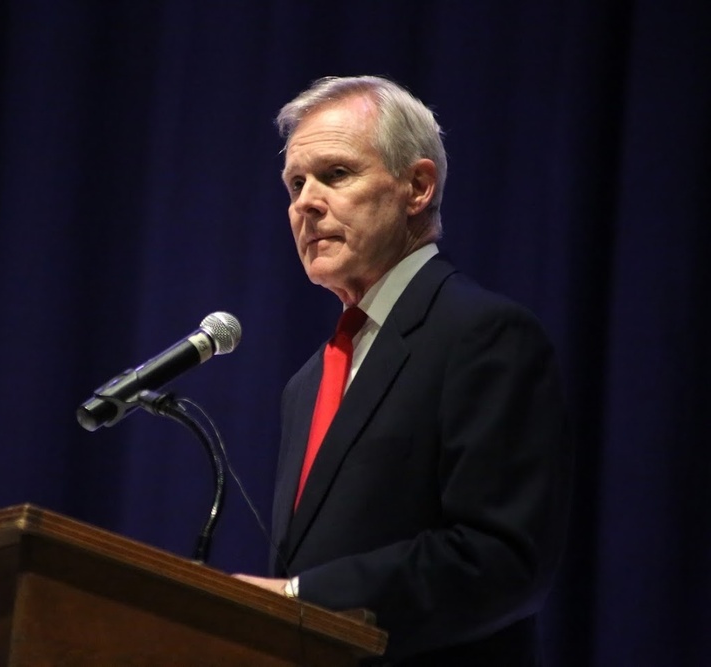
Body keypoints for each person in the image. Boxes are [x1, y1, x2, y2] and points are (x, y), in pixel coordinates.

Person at [234, 76, 573, 666]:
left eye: (336, 174)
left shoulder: (483, 335)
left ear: (417, 187)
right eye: (295, 183)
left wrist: (298, 598)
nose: (305, 203)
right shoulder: (306, 384)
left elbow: (499, 560)